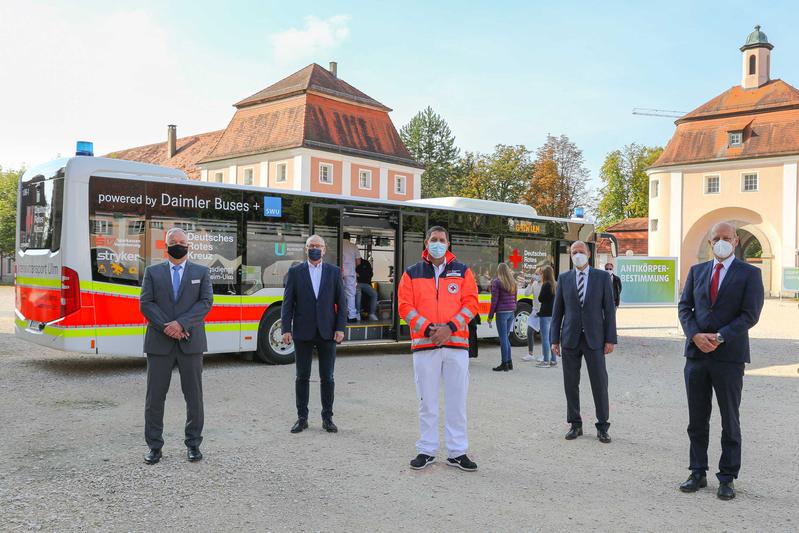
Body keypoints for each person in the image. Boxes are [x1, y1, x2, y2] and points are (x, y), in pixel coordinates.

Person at [677, 221, 764, 501]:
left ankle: (727, 477)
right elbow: (685, 307)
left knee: (730, 419)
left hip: (729, 357)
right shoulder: (697, 271)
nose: (722, 242)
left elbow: (750, 314)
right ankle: (697, 471)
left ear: (736, 241)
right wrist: (695, 335)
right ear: (710, 243)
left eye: (727, 237)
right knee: (697, 419)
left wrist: (720, 336)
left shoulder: (750, 274)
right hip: (696, 355)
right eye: (717, 238)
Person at [398, 226, 479, 472]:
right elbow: (404, 306)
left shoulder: (463, 272)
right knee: (427, 402)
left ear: (448, 243)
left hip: (456, 345)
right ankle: (427, 449)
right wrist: (429, 329)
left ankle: (457, 452)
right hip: (425, 345)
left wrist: (450, 328)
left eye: (442, 240)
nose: (438, 243)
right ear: (426, 242)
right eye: (434, 239)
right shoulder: (411, 273)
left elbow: (472, 303)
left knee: (457, 402)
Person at [139, 227, 213, 465]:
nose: (179, 245)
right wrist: (166, 327)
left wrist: (181, 324)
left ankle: (193, 445)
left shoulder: (201, 272)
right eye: (174, 241)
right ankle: (154, 447)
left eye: (183, 242)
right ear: (166, 244)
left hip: (190, 343)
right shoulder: (152, 272)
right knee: (154, 399)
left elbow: (206, 302)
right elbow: (146, 303)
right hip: (159, 344)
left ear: (189, 246)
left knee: (194, 398)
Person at [551, 241, 617, 443]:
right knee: (570, 383)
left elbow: (609, 309)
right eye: (573, 252)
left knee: (599, 383)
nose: (577, 254)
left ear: (588, 254)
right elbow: (558, 311)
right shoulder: (564, 278)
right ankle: (575, 424)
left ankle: (602, 426)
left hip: (594, 338)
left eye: (580, 251)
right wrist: (554, 339)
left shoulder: (602, 277)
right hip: (570, 338)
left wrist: (610, 338)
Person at [281, 235, 346, 434]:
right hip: (303, 331)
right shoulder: (295, 272)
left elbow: (341, 302)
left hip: (327, 331)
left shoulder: (334, 272)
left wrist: (340, 328)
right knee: (302, 376)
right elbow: (287, 302)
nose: (315, 249)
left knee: (328, 377)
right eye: (311, 246)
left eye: (318, 246)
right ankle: (302, 418)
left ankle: (328, 418)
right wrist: (286, 329)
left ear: (324, 250)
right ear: (305, 249)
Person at [488, 263, 518, 372]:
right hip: (511, 312)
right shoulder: (513, 282)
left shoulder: (497, 282)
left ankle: (504, 363)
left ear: (499, 271)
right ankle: (509, 362)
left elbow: (494, 300)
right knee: (506, 337)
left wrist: (490, 316)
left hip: (502, 312)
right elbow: (515, 298)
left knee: (503, 338)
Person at [536, 265, 557, 368]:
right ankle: (553, 360)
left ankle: (545, 361)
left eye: (542, 273)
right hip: (553, 314)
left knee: (544, 338)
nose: (541, 275)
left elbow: (540, 299)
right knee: (551, 338)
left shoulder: (546, 285)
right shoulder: (555, 284)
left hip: (545, 314)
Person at [520, 267, 543, 362]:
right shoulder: (534, 284)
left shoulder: (545, 285)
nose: (536, 275)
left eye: (537, 274)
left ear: (542, 275)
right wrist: (530, 283)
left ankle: (544, 354)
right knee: (529, 331)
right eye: (535, 273)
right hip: (535, 311)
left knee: (543, 334)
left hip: (543, 313)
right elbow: (526, 293)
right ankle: (530, 354)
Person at [341, 232, 361, 322]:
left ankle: (340, 315)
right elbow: (358, 262)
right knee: (351, 295)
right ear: (349, 238)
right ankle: (352, 316)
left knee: (339, 294)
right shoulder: (353, 246)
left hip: (338, 272)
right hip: (350, 273)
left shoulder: (338, 244)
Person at [355, 257, 379, 321]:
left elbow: (370, 274)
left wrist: (359, 275)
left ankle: (372, 313)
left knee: (374, 293)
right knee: (358, 293)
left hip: (365, 283)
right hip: (354, 284)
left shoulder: (366, 263)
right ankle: (357, 313)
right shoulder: (350, 262)